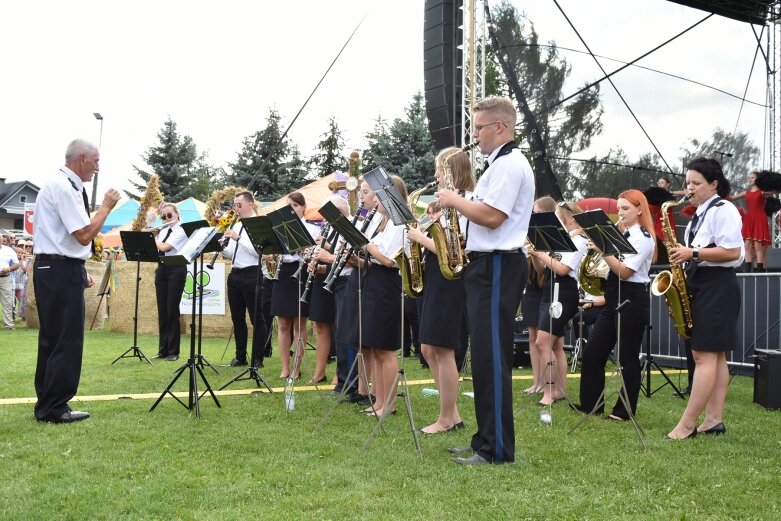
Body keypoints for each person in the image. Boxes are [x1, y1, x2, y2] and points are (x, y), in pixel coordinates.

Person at [437, 96, 533, 464]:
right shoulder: (498, 165)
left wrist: (452, 200)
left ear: (500, 127)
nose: (474, 135)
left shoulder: (509, 165)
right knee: (483, 357)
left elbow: (492, 217)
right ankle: (484, 439)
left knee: (492, 359)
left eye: (479, 128)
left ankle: (496, 450)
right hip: (488, 266)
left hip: (497, 265)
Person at [33, 138, 120, 423]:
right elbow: (83, 235)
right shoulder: (63, 187)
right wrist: (106, 208)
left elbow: (68, 240)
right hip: (58, 270)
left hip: (55, 268)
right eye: (95, 162)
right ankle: (55, 407)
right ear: (82, 159)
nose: (97, 167)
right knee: (65, 340)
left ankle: (48, 402)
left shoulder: (63, 185)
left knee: (52, 338)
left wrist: (78, 271)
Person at [665, 158, 743, 439]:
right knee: (716, 356)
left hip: (718, 285)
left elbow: (732, 252)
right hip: (703, 283)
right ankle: (713, 420)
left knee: (703, 355)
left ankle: (687, 425)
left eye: (696, 183)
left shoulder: (725, 210)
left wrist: (692, 253)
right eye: (688, 183)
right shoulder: (700, 214)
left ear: (714, 184)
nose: (690, 188)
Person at [407, 146, 474, 434]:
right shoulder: (450, 204)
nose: (435, 175)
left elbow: (457, 252)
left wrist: (421, 238)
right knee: (427, 348)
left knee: (443, 349)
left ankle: (447, 418)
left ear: (452, 172)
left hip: (452, 280)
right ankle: (452, 414)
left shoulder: (466, 202)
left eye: (439, 169)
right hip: (438, 277)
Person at [577, 189, 656, 421]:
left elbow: (624, 271)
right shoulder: (622, 235)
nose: (620, 213)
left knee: (628, 358)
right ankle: (591, 405)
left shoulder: (643, 237)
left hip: (632, 298)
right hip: (614, 297)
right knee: (593, 352)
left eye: (626, 209)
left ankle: (624, 411)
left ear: (640, 209)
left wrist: (603, 248)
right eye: (619, 208)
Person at [529, 201, 588, 406]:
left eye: (557, 215)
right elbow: (542, 270)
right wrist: (536, 253)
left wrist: (541, 253)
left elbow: (563, 269)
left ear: (569, 218)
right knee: (555, 345)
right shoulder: (560, 239)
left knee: (542, 342)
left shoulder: (579, 240)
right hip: (549, 290)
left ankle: (550, 390)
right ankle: (560, 390)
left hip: (563, 292)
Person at [360, 175, 407, 417]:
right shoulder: (384, 222)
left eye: (378, 194)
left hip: (388, 284)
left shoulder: (399, 222)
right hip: (376, 283)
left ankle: (389, 404)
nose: (375, 199)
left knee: (386, 350)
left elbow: (389, 260)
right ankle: (379, 401)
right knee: (377, 347)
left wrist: (365, 244)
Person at [271, 191, 319, 379]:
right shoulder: (280, 230)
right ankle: (284, 367)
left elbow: (315, 253)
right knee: (283, 323)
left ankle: (296, 367)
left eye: (295, 206)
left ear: (303, 207)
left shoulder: (313, 229)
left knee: (300, 323)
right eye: (288, 205)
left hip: (303, 272)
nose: (291, 209)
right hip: (284, 273)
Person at [220, 190, 266, 367]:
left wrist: (238, 239)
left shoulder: (259, 224)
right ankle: (240, 356)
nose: (236, 209)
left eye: (238, 205)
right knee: (237, 318)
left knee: (257, 318)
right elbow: (232, 253)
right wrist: (222, 248)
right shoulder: (237, 225)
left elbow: (258, 251)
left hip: (252, 272)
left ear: (249, 204)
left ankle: (257, 358)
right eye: (235, 205)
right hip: (235, 273)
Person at [522, 196, 557, 395]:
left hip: (544, 288)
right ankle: (537, 382)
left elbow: (542, 270)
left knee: (541, 339)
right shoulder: (530, 233)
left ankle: (546, 383)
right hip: (531, 287)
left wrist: (535, 253)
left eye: (536, 213)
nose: (533, 216)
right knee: (532, 336)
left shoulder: (550, 236)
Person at [154, 202, 188, 361]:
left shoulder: (181, 230)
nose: (167, 218)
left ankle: (174, 351)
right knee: (162, 311)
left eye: (169, 215)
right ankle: (163, 350)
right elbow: (156, 250)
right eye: (164, 216)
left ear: (177, 214)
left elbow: (165, 247)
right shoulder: (163, 230)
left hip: (176, 268)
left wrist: (153, 238)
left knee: (171, 310)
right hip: (162, 268)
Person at [729, 170, 770, 272]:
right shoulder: (746, 192)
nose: (750, 179)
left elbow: (775, 191)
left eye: (752, 177)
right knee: (747, 245)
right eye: (749, 178)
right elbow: (732, 198)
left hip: (759, 218)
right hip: (749, 219)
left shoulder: (762, 192)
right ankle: (747, 271)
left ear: (758, 179)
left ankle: (759, 270)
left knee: (757, 245)